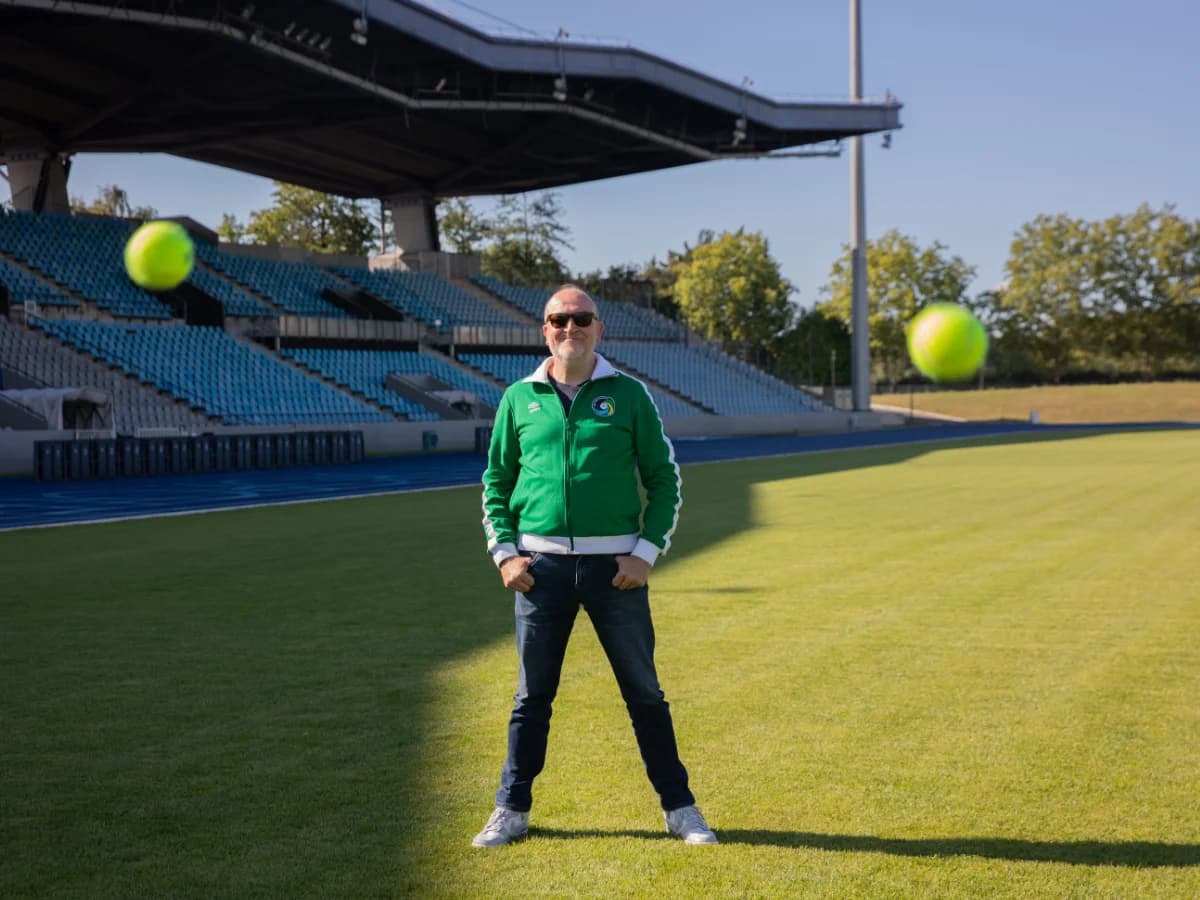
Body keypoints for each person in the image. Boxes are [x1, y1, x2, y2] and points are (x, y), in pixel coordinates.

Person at [473, 285, 717, 848]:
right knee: (532, 698)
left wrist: (645, 552)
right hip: (540, 570)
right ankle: (511, 809)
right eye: (559, 319)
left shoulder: (629, 395)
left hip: (616, 571)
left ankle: (680, 809)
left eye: (581, 319)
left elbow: (664, 479)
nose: (570, 328)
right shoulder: (518, 398)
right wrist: (506, 555)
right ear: (545, 330)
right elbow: (495, 483)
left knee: (644, 694)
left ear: (598, 329)